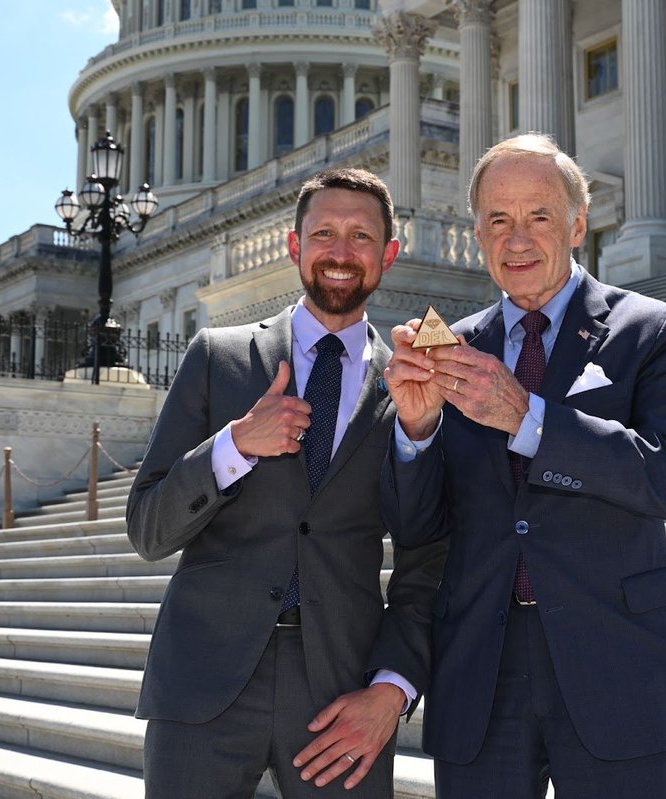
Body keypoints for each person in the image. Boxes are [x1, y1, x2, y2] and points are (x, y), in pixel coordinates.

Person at [381, 134, 666, 798]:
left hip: (619, 659)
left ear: (578, 224)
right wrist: (415, 428)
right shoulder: (454, 349)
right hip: (480, 668)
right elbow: (419, 526)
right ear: (477, 233)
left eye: (539, 216)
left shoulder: (656, 331)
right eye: (498, 219)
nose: (517, 238)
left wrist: (529, 416)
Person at [127, 167, 445, 798]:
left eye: (360, 236)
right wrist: (234, 445)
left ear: (388, 255)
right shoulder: (218, 358)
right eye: (324, 232)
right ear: (295, 246)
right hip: (204, 678)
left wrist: (392, 689)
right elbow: (147, 528)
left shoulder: (412, 383)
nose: (340, 252)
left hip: (340, 693)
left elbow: (429, 556)